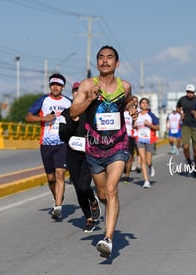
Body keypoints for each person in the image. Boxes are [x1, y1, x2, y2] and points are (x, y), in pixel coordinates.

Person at [70, 45, 137, 258]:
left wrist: (132, 108)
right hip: (94, 147)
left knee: (111, 188)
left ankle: (107, 239)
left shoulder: (124, 86)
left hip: (118, 144)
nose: (105, 61)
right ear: (96, 62)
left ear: (117, 63)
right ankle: (109, 209)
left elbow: (128, 101)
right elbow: (73, 111)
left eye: (109, 58)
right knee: (102, 193)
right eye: (101, 58)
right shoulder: (87, 85)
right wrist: (90, 98)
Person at [25, 73, 72, 221]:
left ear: (63, 87)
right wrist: (43, 118)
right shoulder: (43, 100)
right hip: (46, 144)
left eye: (58, 85)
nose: (55, 87)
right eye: (53, 84)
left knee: (60, 174)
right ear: (50, 86)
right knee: (51, 178)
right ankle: (57, 196)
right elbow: (28, 117)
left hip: (62, 143)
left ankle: (58, 207)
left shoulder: (69, 102)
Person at [58, 81, 101, 232]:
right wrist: (72, 122)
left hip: (90, 153)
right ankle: (89, 218)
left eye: (80, 91)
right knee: (77, 187)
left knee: (84, 186)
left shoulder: (92, 111)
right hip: (72, 154)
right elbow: (62, 135)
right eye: (75, 91)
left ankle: (92, 200)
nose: (77, 93)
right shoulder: (66, 113)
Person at [176, 84, 196, 177]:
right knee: (185, 146)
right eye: (188, 92)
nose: (190, 94)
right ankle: (189, 161)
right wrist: (180, 113)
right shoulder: (182, 99)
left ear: (194, 93)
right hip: (186, 125)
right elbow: (178, 107)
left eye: (191, 92)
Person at [134, 97, 159, 188]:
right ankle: (146, 181)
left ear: (148, 105)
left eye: (146, 103)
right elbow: (134, 125)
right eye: (142, 103)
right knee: (142, 159)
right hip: (139, 139)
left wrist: (149, 124)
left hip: (149, 139)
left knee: (148, 160)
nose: (144, 104)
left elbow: (157, 127)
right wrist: (134, 125)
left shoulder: (151, 115)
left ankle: (150, 166)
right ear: (140, 105)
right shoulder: (137, 115)